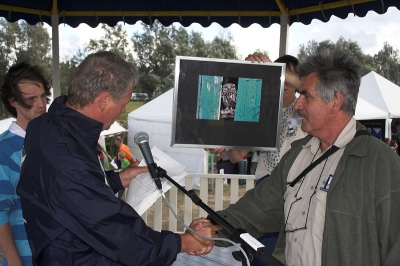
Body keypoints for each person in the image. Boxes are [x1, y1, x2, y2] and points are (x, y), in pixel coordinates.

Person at [16, 51, 221, 266]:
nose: (123, 110)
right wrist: (186, 242)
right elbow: (121, 237)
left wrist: (116, 179)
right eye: (123, 104)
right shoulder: (69, 158)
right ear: (103, 100)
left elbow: (64, 192)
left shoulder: (45, 126)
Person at [204, 50, 400, 266]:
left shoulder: (378, 161)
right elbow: (255, 210)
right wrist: (210, 226)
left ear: (335, 101)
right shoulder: (296, 155)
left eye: (306, 95)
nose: (298, 104)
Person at [209, 54, 307, 264]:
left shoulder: (306, 111)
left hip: (296, 188)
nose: (283, 82)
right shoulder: (260, 112)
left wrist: (273, 69)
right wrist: (222, 146)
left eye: (287, 75)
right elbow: (236, 155)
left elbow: (306, 84)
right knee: (260, 251)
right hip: (265, 186)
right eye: (278, 75)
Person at [0, 62, 51, 266]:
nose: (41, 104)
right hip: (24, 258)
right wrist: (15, 263)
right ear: (13, 102)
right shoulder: (4, 150)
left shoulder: (49, 141)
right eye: (31, 99)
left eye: (43, 96)